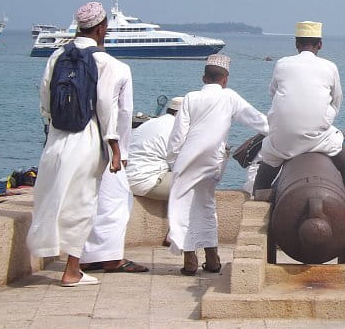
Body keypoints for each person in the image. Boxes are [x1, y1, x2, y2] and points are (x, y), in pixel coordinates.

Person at [27, 2, 122, 286]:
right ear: (102, 27)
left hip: (57, 138)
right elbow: (106, 107)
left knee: (52, 198)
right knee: (82, 202)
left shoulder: (57, 55)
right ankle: (71, 270)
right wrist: (115, 149)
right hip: (88, 138)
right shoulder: (106, 62)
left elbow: (45, 96)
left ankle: (58, 257)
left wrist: (52, 126)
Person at [166, 54, 268, 275]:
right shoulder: (230, 97)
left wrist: (171, 159)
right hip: (214, 161)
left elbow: (178, 136)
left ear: (204, 78)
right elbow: (258, 120)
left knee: (183, 206)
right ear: (225, 80)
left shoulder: (191, 98)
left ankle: (190, 261)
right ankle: (212, 259)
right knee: (206, 204)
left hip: (188, 160)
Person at [254, 21, 345, 193]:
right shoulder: (330, 66)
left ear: (296, 44)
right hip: (320, 138)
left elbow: (273, 93)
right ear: (320, 44)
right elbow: (337, 100)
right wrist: (324, 119)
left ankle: (257, 204)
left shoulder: (282, 64)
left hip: (283, 139)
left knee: (264, 175)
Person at [80, 58, 149, 273]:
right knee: (116, 201)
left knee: (84, 200)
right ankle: (110, 258)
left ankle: (86, 256)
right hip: (105, 143)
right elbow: (125, 112)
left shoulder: (59, 57)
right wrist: (123, 150)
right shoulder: (117, 67)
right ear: (102, 29)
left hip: (69, 140)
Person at [126, 97, 184, 201]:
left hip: (127, 179)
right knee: (199, 182)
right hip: (147, 182)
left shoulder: (152, 122)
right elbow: (179, 163)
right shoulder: (177, 128)